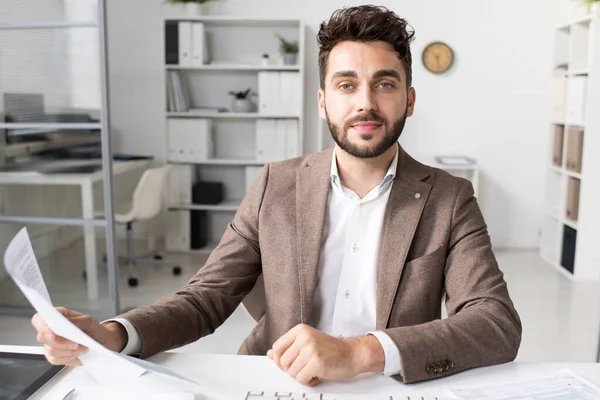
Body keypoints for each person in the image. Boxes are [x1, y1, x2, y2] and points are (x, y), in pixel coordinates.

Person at [31, 5, 521, 385]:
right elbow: (206, 298)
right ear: (324, 101)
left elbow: (495, 323)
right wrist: (114, 335)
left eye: (385, 84)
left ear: (409, 100)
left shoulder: (449, 198)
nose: (365, 103)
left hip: (387, 386)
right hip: (275, 385)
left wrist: (360, 352)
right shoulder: (275, 184)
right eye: (347, 85)